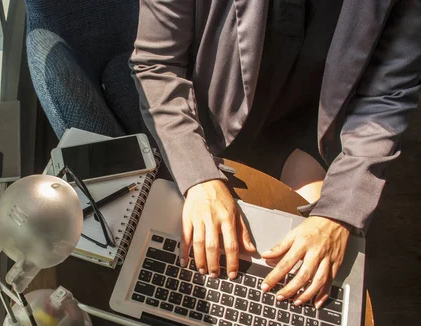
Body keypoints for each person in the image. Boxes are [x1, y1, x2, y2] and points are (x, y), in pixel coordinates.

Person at [130, 0, 421, 309]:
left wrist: (338, 214)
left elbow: (386, 99)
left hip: (313, 131)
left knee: (314, 286)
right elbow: (156, 64)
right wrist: (199, 176)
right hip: (203, 124)